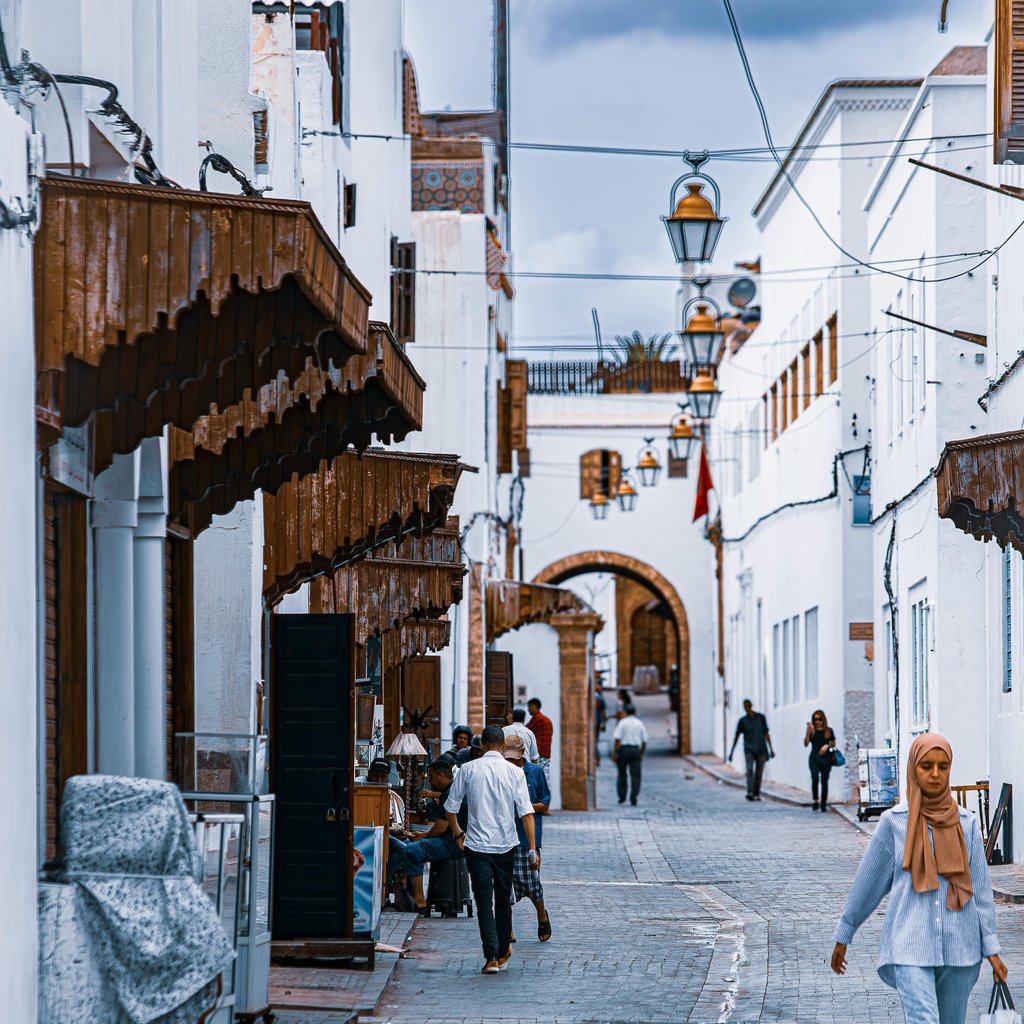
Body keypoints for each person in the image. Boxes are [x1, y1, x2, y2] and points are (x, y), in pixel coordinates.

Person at [831, 734, 1007, 1024]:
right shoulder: (894, 823)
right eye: (926, 766)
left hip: (960, 947)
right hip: (909, 944)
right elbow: (867, 884)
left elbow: (980, 892)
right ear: (913, 768)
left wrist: (992, 950)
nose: (935, 774)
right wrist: (844, 933)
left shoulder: (967, 824)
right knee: (923, 1020)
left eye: (943, 766)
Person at [445, 725, 538, 975]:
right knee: (503, 898)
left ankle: (492, 956)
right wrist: (532, 849)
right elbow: (526, 813)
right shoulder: (514, 772)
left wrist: (458, 834)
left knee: (484, 901)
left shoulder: (467, 769)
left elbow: (450, 808)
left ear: (483, 745)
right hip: (506, 845)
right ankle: (504, 947)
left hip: (476, 845)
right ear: (502, 746)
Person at [394, 758, 466, 912]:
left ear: (441, 776)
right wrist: (423, 835)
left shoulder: (449, 793)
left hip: (455, 843)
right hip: (454, 840)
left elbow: (440, 828)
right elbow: (441, 828)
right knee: (415, 846)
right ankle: (414, 893)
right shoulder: (453, 789)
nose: (431, 782)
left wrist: (423, 837)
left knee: (411, 851)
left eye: (432, 777)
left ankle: (419, 900)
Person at [502, 734, 553, 943]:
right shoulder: (501, 772)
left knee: (533, 883)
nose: (512, 761)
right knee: (505, 888)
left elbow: (545, 803)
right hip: (504, 837)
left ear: (523, 753)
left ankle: (542, 916)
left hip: (527, 838)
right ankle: (507, 929)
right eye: (508, 757)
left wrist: (524, 807)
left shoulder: (535, 772)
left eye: (515, 757)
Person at [728, 699, 774, 801]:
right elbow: (736, 736)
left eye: (748, 705)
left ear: (751, 705)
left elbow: (766, 733)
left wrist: (771, 749)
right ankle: (750, 792)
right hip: (749, 749)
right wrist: (731, 752)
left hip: (761, 749)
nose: (747, 708)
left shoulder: (761, 718)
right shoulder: (742, 721)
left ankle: (756, 793)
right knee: (749, 770)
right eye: (745, 706)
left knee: (759, 773)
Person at [611, 703, 648, 806]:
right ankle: (634, 797)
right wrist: (641, 753)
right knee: (636, 775)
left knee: (622, 774)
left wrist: (614, 752)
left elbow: (617, 739)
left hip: (623, 750)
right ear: (635, 712)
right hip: (635, 750)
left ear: (625, 712)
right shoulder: (639, 723)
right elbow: (645, 740)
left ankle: (622, 797)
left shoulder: (622, 723)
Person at [803, 709, 837, 812]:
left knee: (824, 781)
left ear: (823, 719)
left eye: (820, 719)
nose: (817, 721)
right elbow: (806, 744)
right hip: (814, 758)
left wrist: (826, 746)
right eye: (815, 719)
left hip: (826, 759)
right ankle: (815, 800)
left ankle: (823, 803)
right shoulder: (812, 730)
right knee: (814, 779)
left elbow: (834, 743)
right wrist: (807, 733)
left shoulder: (829, 731)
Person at [526, 698, 553, 782]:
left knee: (535, 783)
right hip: (546, 757)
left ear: (534, 706)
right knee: (546, 783)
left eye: (529, 707)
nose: (528, 709)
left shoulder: (537, 719)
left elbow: (524, 731)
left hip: (538, 757)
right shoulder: (547, 720)